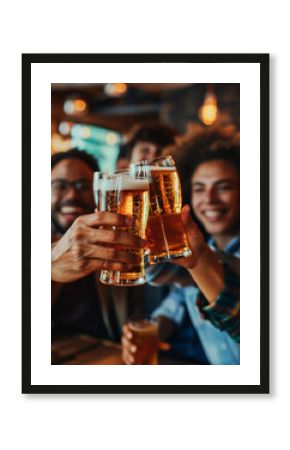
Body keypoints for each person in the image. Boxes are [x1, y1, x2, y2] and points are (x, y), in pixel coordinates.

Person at [122, 127, 240, 365]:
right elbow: (173, 299)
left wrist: (199, 262)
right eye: (199, 188)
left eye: (224, 186)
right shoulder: (197, 251)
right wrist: (152, 332)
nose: (209, 198)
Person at [51, 149, 148, 340]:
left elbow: (143, 312)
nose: (72, 194)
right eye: (59, 185)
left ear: (99, 190)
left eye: (83, 185)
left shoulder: (120, 245)